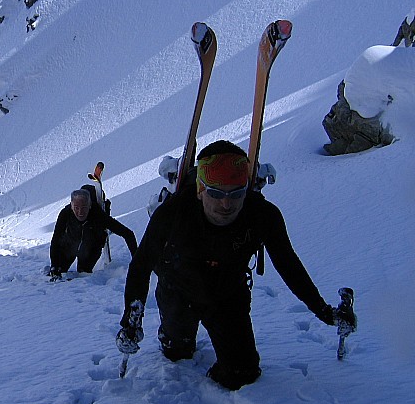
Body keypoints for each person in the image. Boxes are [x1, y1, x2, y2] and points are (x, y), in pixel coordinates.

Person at [116, 140, 348, 390]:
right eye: (216, 193)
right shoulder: (174, 212)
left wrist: (324, 311)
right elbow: (141, 265)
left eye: (236, 194)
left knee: (242, 372)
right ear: (200, 189)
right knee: (178, 353)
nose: (226, 204)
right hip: (178, 290)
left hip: (226, 294)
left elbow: (288, 264)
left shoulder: (262, 214)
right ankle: (173, 338)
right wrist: (131, 320)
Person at [49, 188, 137, 279]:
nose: (80, 212)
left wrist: (137, 260)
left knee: (83, 272)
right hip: (70, 245)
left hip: (91, 247)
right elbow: (56, 240)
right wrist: (54, 265)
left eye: (84, 208)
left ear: (90, 205)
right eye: (76, 208)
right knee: (59, 270)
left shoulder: (97, 214)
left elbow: (128, 233)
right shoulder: (65, 213)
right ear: (71, 206)